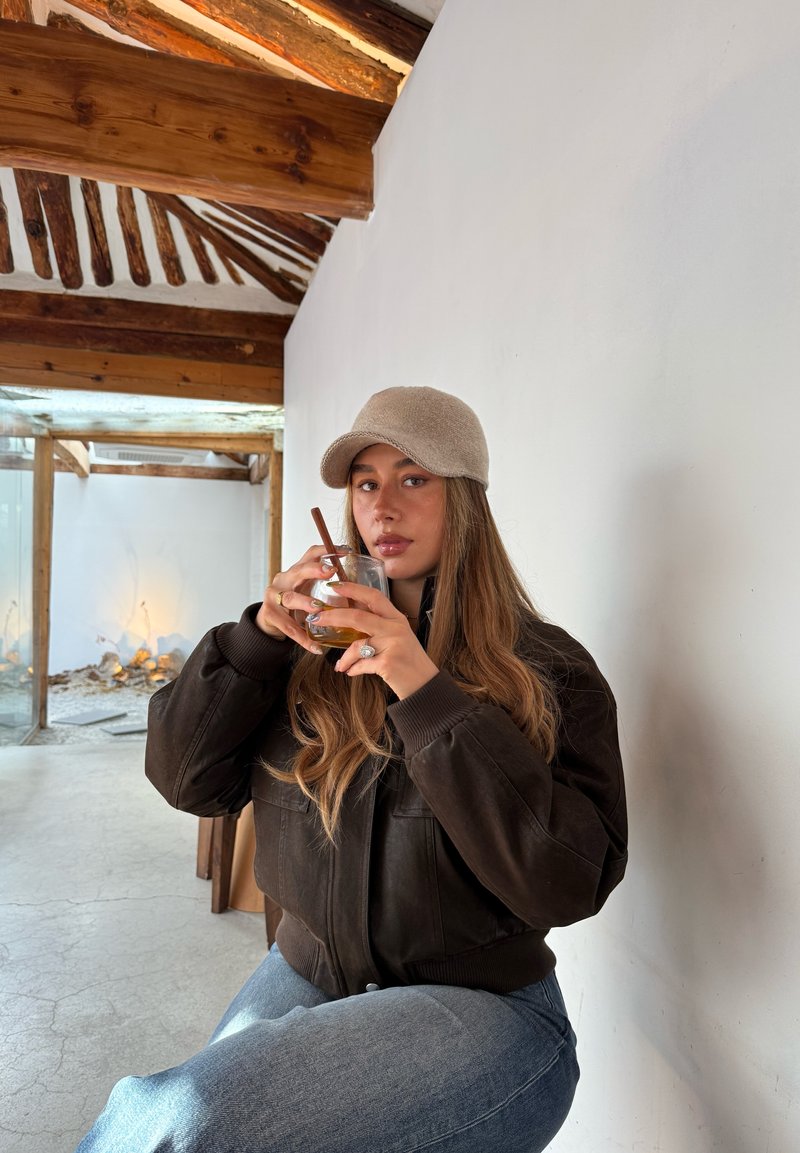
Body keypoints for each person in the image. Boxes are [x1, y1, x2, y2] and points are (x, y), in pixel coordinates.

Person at [75, 386, 627, 1153]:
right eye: (366, 482)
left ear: (463, 498)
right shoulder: (310, 662)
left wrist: (426, 693)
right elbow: (186, 781)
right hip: (310, 972)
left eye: (412, 477)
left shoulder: (550, 668)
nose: (383, 506)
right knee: (159, 1119)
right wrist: (259, 638)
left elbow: (566, 881)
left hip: (488, 1008)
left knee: (193, 1118)